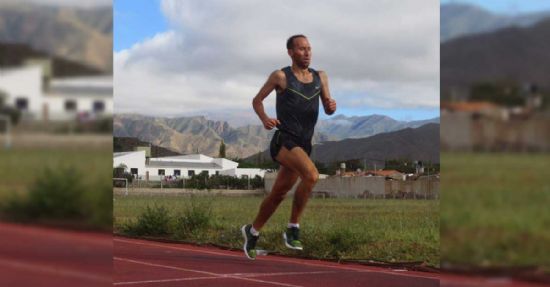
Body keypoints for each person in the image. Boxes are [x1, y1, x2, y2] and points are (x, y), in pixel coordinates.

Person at [241, 34, 337, 260]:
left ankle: (252, 231)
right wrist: (265, 118)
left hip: (304, 144)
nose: (307, 53)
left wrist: (332, 107)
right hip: (284, 141)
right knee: (312, 176)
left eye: (309, 49)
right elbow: (257, 100)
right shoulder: (280, 76)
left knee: (278, 194)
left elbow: (328, 107)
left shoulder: (320, 77)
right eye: (302, 49)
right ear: (291, 52)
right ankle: (293, 227)